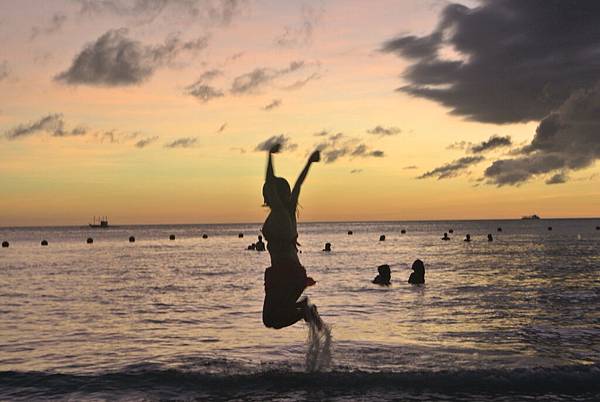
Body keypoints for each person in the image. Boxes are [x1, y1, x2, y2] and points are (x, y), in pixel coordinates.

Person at [261, 143, 322, 330]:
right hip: (289, 274)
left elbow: (271, 182)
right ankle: (303, 309)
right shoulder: (287, 212)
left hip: (286, 274)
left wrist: (269, 155)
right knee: (272, 318)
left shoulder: (280, 212)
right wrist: (309, 162)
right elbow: (299, 183)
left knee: (271, 319)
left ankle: (304, 310)